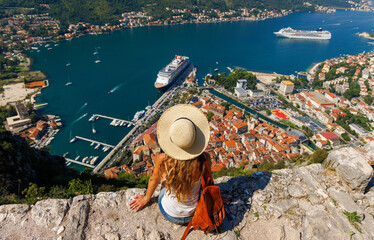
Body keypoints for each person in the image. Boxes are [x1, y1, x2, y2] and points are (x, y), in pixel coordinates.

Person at [129, 104, 211, 225]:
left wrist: (146, 199)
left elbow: (153, 179)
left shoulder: (163, 159)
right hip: (194, 212)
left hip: (170, 213)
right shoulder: (204, 159)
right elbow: (208, 180)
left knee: (163, 179)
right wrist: (212, 197)